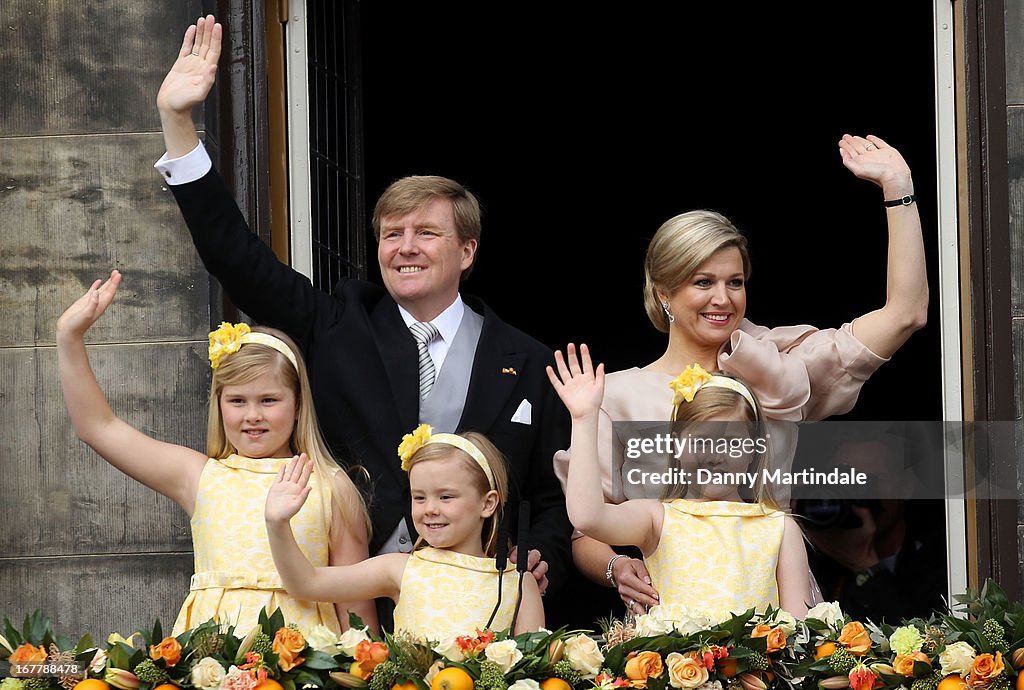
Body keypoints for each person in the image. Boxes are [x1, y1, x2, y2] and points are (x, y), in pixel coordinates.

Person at [153, 16, 571, 626]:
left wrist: (542, 558)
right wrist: (179, 124)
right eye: (391, 234)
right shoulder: (339, 323)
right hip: (352, 598)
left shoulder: (529, 360)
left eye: (427, 232)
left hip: (479, 616)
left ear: (468, 251)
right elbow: (235, 259)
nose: (405, 247)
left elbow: (552, 496)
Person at [554, 133, 929, 619]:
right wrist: (616, 569)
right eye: (702, 282)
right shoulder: (615, 396)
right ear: (664, 292)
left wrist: (898, 187)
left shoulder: (779, 366)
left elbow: (906, 313)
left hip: (779, 624)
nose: (722, 299)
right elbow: (586, 529)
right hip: (673, 633)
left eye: (735, 282)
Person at [56, 270, 376, 635]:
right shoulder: (200, 476)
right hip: (211, 666)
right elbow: (99, 427)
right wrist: (69, 337)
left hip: (305, 667)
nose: (252, 415)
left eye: (269, 400)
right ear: (219, 404)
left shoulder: (331, 486)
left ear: (299, 404)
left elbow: (357, 617)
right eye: (237, 400)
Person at [549, 345, 810, 622]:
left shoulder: (780, 528)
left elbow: (799, 627)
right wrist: (584, 419)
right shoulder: (657, 518)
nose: (715, 456)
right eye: (701, 441)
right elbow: (588, 518)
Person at [265, 425, 543, 640]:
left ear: (488, 503)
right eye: (419, 498)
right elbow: (307, 583)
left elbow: (533, 671)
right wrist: (277, 524)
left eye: (446, 497)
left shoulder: (517, 583)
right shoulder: (400, 568)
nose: (430, 509)